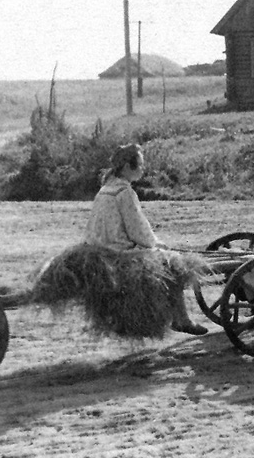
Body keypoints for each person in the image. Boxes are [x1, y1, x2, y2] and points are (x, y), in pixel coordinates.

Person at [83, 143, 208, 335]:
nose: (143, 169)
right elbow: (137, 230)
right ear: (127, 167)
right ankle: (181, 320)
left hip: (101, 248)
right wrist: (155, 243)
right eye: (140, 165)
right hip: (120, 252)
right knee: (173, 265)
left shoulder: (105, 189)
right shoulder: (124, 192)